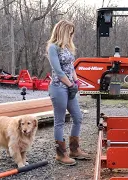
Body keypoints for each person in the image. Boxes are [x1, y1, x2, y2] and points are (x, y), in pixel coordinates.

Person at [46, 20, 91, 166]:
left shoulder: (67, 48)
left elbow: (71, 67)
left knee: (77, 117)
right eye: (69, 32)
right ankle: (60, 154)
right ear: (62, 32)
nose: (71, 35)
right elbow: (58, 71)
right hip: (59, 87)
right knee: (59, 121)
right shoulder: (53, 48)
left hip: (70, 86)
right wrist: (70, 84)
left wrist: (76, 82)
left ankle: (74, 150)